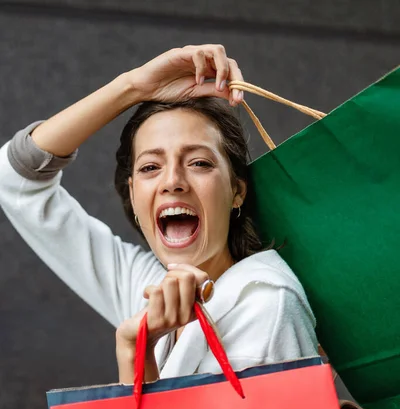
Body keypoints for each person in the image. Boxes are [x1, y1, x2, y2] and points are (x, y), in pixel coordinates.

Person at [0, 44, 318, 384]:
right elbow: (17, 178)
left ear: (236, 192)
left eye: (198, 163)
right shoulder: (146, 289)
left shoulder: (267, 307)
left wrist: (135, 353)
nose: (172, 181)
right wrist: (132, 87)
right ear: (134, 196)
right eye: (151, 167)